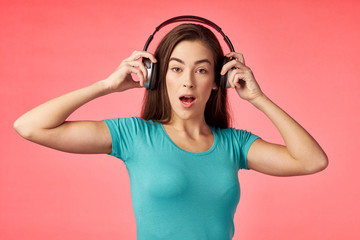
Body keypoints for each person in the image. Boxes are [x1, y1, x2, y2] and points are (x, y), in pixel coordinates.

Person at [14, 23, 328, 240]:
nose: (188, 80)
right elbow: (29, 126)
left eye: (201, 70)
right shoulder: (134, 135)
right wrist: (106, 86)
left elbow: (312, 161)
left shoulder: (235, 145)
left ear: (219, 80)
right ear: (157, 77)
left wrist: (257, 98)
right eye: (176, 68)